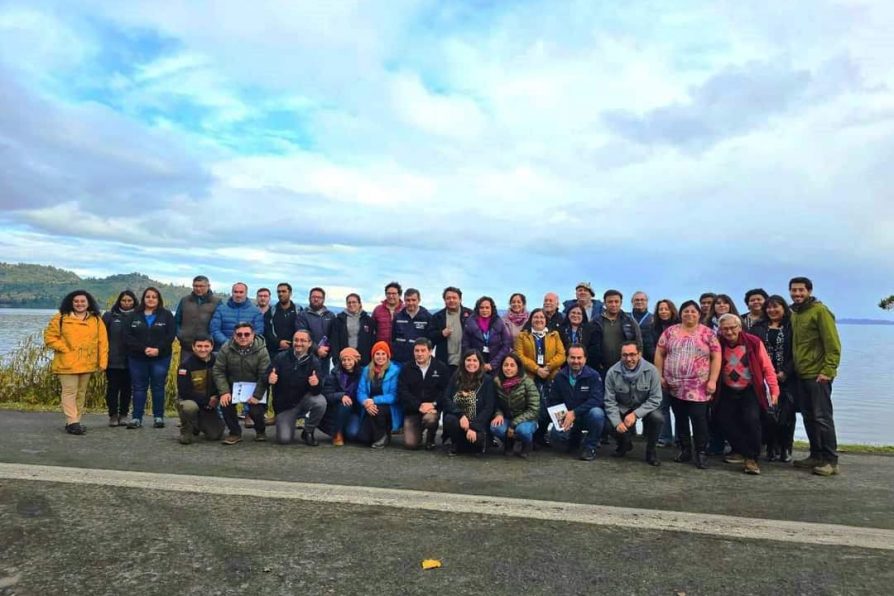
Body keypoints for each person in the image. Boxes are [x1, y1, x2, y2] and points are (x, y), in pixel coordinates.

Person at [654, 300, 721, 469]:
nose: (689, 314)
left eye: (693, 311)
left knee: (699, 418)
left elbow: (716, 356)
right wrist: (659, 375)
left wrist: (713, 379)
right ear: (681, 314)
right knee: (680, 418)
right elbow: (660, 353)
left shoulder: (707, 333)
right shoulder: (671, 332)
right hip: (675, 385)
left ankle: (701, 452)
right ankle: (685, 450)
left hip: (699, 385)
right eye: (686, 311)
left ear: (699, 314)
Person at [789, 276, 842, 477]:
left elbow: (833, 344)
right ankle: (816, 455)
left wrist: (828, 371)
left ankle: (831, 460)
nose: (797, 294)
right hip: (801, 373)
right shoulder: (795, 313)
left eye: (801, 290)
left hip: (818, 374)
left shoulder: (820, 311)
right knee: (809, 417)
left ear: (809, 291)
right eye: (794, 290)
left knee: (823, 417)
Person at [716, 314, 780, 475]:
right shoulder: (717, 343)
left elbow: (767, 368)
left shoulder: (753, 342)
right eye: (725, 329)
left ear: (740, 327)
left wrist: (774, 390)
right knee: (722, 420)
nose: (729, 332)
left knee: (752, 420)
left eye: (732, 328)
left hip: (750, 389)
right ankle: (741, 450)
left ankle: (751, 459)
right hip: (726, 389)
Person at [43, 290, 108, 435]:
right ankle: (73, 421)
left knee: (81, 393)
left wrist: (102, 362)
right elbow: (50, 337)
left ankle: (74, 422)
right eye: (76, 301)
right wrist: (65, 349)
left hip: (88, 363)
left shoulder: (96, 319)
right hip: (67, 363)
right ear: (71, 303)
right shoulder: (60, 318)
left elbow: (103, 343)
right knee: (69, 391)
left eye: (82, 301)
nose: (79, 304)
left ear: (88, 303)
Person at [604, 341, 664, 466]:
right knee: (606, 421)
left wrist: (635, 414)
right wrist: (617, 422)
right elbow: (610, 401)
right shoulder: (612, 372)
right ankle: (624, 443)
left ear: (639, 354)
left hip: (645, 408)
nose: (629, 359)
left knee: (658, 418)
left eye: (632, 354)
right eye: (624, 355)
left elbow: (656, 398)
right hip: (622, 407)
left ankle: (651, 451)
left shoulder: (652, 371)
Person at [752, 295, 797, 462]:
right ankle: (771, 447)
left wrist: (785, 371)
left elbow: (797, 352)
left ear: (784, 308)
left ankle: (786, 448)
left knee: (787, 415)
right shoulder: (758, 327)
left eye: (776, 307)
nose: (772, 310)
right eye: (769, 307)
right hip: (764, 378)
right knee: (768, 414)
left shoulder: (792, 327)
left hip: (787, 377)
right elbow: (752, 352)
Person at [125, 287, 176, 429]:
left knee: (158, 387)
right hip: (137, 358)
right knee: (139, 388)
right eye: (148, 296)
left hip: (160, 357)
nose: (151, 299)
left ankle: (158, 417)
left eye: (154, 297)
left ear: (158, 299)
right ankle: (136, 418)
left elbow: (170, 335)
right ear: (143, 299)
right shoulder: (133, 315)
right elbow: (127, 336)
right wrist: (144, 349)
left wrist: (158, 350)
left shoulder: (166, 315)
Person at [213, 322, 270, 444]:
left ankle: (260, 431)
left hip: (255, 386)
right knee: (225, 403)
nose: (243, 337)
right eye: (239, 334)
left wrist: (257, 396)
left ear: (253, 335)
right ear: (234, 335)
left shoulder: (262, 351)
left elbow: (264, 375)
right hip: (233, 385)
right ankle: (235, 433)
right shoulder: (226, 348)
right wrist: (224, 391)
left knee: (256, 410)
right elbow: (218, 370)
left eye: (246, 334)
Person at [515, 308, 566, 444]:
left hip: (551, 375)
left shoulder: (554, 335)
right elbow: (519, 355)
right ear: (531, 320)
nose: (539, 320)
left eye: (542, 318)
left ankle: (545, 435)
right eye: (536, 317)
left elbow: (562, 355)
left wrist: (548, 367)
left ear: (546, 320)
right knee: (533, 406)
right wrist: (537, 369)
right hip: (530, 376)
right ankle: (529, 436)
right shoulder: (523, 336)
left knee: (551, 405)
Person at [268, 329, 326, 446]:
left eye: (303, 340)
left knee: (320, 402)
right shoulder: (280, 358)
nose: (298, 343)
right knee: (284, 440)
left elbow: (318, 391)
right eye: (296, 340)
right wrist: (269, 378)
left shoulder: (314, 362)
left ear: (309, 343)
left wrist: (316, 384)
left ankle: (308, 431)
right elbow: (265, 375)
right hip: (286, 406)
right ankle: (289, 423)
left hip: (304, 401)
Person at [548, 345, 606, 461]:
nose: (576, 361)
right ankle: (574, 438)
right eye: (572, 357)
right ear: (567, 358)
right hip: (566, 416)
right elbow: (553, 400)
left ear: (585, 359)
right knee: (556, 435)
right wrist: (563, 416)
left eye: (579, 358)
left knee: (598, 414)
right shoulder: (559, 377)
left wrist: (574, 412)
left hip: (586, 415)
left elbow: (597, 399)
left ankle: (590, 447)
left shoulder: (593, 376)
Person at [398, 338, 450, 450]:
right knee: (410, 444)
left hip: (432, 409)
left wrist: (434, 404)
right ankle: (418, 430)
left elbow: (446, 391)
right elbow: (402, 391)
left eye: (423, 350)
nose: (419, 354)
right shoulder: (406, 368)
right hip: (412, 410)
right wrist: (419, 406)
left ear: (430, 351)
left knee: (430, 419)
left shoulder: (441, 367)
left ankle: (430, 439)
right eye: (417, 351)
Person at [440, 349, 495, 455]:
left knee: (476, 444)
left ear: (480, 363)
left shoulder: (487, 380)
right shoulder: (456, 377)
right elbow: (446, 398)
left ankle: (472, 443)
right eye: (468, 360)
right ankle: (456, 443)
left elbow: (489, 407)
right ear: (463, 362)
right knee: (449, 419)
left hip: (478, 424)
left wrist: (473, 426)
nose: (471, 363)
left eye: (475, 360)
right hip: (460, 422)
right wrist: (460, 415)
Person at [176, 336, 225, 444]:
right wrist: (207, 400)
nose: (203, 349)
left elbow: (224, 382)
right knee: (189, 407)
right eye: (199, 346)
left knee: (215, 435)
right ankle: (187, 429)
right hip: (191, 400)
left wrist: (217, 397)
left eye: (206, 346)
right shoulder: (185, 365)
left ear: (212, 347)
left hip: (210, 404)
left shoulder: (218, 361)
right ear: (193, 347)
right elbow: (184, 392)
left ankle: (198, 424)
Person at [490, 353, 540, 458]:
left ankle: (526, 444)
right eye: (506, 365)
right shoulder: (497, 382)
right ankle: (508, 443)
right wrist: (498, 414)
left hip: (527, 419)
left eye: (512, 365)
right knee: (495, 427)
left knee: (522, 430)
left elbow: (534, 409)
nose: (508, 368)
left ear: (518, 368)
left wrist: (513, 424)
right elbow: (496, 403)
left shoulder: (528, 383)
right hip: (507, 417)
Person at [357, 341, 403, 448]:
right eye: (377, 354)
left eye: (383, 354)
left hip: (388, 408)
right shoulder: (366, 370)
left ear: (388, 355)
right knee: (363, 439)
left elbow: (394, 396)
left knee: (378, 409)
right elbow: (361, 391)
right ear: (373, 356)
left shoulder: (395, 371)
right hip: (369, 406)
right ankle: (376, 435)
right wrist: (365, 402)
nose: (380, 357)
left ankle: (383, 435)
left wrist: (373, 400)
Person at [587, 289, 643, 376]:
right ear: (604, 303)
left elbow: (639, 343)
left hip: (626, 367)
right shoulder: (595, 322)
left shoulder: (630, 321)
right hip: (601, 369)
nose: (613, 304)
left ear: (621, 303)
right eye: (610, 302)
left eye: (616, 302)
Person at [102, 290, 137, 427]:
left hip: (132, 360)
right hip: (113, 360)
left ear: (134, 301)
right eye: (124, 300)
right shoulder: (109, 316)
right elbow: (102, 338)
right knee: (112, 388)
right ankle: (113, 415)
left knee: (127, 389)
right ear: (119, 301)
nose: (127, 303)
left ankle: (123, 415)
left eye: (129, 301)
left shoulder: (138, 316)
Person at [650, 299, 680, 447]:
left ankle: (680, 439)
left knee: (680, 408)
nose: (663, 311)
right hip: (660, 371)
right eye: (660, 309)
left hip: (679, 372)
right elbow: (652, 350)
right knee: (663, 406)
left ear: (672, 310)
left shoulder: (680, 327)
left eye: (666, 309)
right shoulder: (653, 328)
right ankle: (665, 437)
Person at [321, 347, 363, 446]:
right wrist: (341, 396)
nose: (346, 362)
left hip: (355, 409)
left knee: (352, 434)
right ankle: (337, 433)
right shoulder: (334, 374)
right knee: (345, 404)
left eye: (349, 359)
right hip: (338, 409)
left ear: (355, 360)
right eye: (344, 360)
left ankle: (345, 430)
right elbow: (327, 394)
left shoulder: (362, 374)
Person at [174, 275, 221, 364]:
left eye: (201, 286)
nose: (198, 289)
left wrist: (212, 339)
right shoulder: (185, 301)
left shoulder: (216, 302)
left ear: (208, 286)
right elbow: (176, 321)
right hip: (187, 346)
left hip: (207, 348)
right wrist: (180, 335)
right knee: (185, 373)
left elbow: (219, 323)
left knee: (208, 375)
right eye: (195, 286)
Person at [463, 296, 512, 373]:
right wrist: (475, 362)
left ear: (492, 309)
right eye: (481, 308)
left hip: (496, 366)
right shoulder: (470, 323)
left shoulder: (499, 322)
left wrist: (493, 364)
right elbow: (465, 345)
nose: (484, 310)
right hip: (475, 366)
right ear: (477, 309)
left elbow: (506, 345)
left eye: (487, 307)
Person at [429, 286, 472, 373]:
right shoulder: (438, 316)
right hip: (445, 361)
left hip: (466, 361)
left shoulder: (470, 315)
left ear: (460, 299)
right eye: (448, 298)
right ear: (444, 300)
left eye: (454, 298)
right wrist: (441, 334)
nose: (451, 300)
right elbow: (430, 337)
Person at [210, 282, 264, 350]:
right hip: (224, 349)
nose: (238, 295)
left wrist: (245, 342)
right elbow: (215, 330)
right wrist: (227, 342)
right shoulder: (220, 309)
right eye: (236, 292)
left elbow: (259, 330)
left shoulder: (256, 311)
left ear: (246, 293)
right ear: (232, 293)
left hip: (248, 350)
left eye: (241, 292)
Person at [329, 293, 376, 367]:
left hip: (363, 360)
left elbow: (372, 340)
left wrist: (371, 359)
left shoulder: (368, 320)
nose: (351, 304)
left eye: (354, 302)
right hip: (345, 360)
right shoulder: (339, 320)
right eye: (349, 302)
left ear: (359, 304)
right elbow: (334, 341)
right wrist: (336, 360)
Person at [296, 287, 336, 373]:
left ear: (323, 299)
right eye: (313, 297)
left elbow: (334, 335)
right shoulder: (302, 315)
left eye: (319, 297)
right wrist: (317, 349)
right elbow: (302, 336)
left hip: (325, 357)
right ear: (309, 298)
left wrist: (329, 350)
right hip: (307, 356)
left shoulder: (330, 315)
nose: (316, 299)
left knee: (323, 383)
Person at [391, 288, 433, 364]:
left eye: (413, 300)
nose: (410, 303)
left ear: (419, 300)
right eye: (408, 300)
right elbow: (393, 337)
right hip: (398, 360)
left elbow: (431, 340)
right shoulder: (398, 316)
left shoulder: (427, 317)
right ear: (404, 301)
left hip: (419, 361)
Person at [263, 282, 301, 360]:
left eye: (283, 291)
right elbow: (267, 330)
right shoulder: (271, 311)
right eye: (279, 292)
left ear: (290, 293)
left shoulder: (298, 310)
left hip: (294, 351)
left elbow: (302, 329)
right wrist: (278, 343)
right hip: (274, 352)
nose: (280, 294)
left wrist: (291, 343)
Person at [371, 282, 403, 346]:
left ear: (399, 295)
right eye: (388, 293)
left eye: (394, 294)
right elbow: (372, 329)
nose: (391, 296)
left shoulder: (405, 310)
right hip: (382, 349)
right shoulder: (378, 310)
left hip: (401, 347)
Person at [631, 291, 654, 361]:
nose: (639, 302)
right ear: (632, 302)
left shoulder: (653, 318)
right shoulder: (626, 317)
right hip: (630, 354)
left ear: (647, 302)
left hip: (650, 356)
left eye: (642, 300)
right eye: (637, 300)